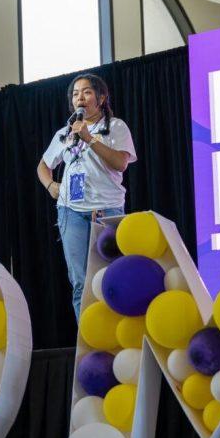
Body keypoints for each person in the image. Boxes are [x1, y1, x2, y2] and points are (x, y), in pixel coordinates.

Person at [37, 74, 136, 320]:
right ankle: (89, 345)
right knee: (80, 281)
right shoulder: (65, 132)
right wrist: (51, 186)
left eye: (87, 92)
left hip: (107, 210)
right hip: (70, 212)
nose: (80, 97)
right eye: (75, 93)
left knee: (111, 276)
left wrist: (89, 139)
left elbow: (121, 163)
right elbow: (43, 166)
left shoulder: (115, 126)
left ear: (101, 98)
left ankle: (117, 340)